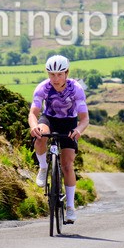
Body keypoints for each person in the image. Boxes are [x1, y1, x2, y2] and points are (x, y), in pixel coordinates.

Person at [28, 54, 89, 223]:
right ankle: (43, 167)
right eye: (52, 74)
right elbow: (33, 113)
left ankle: (70, 207)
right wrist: (34, 126)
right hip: (50, 119)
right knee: (40, 136)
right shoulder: (42, 88)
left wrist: (78, 130)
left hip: (70, 123)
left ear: (66, 73)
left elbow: (84, 119)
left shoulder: (76, 89)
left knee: (67, 165)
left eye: (59, 74)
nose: (55, 78)